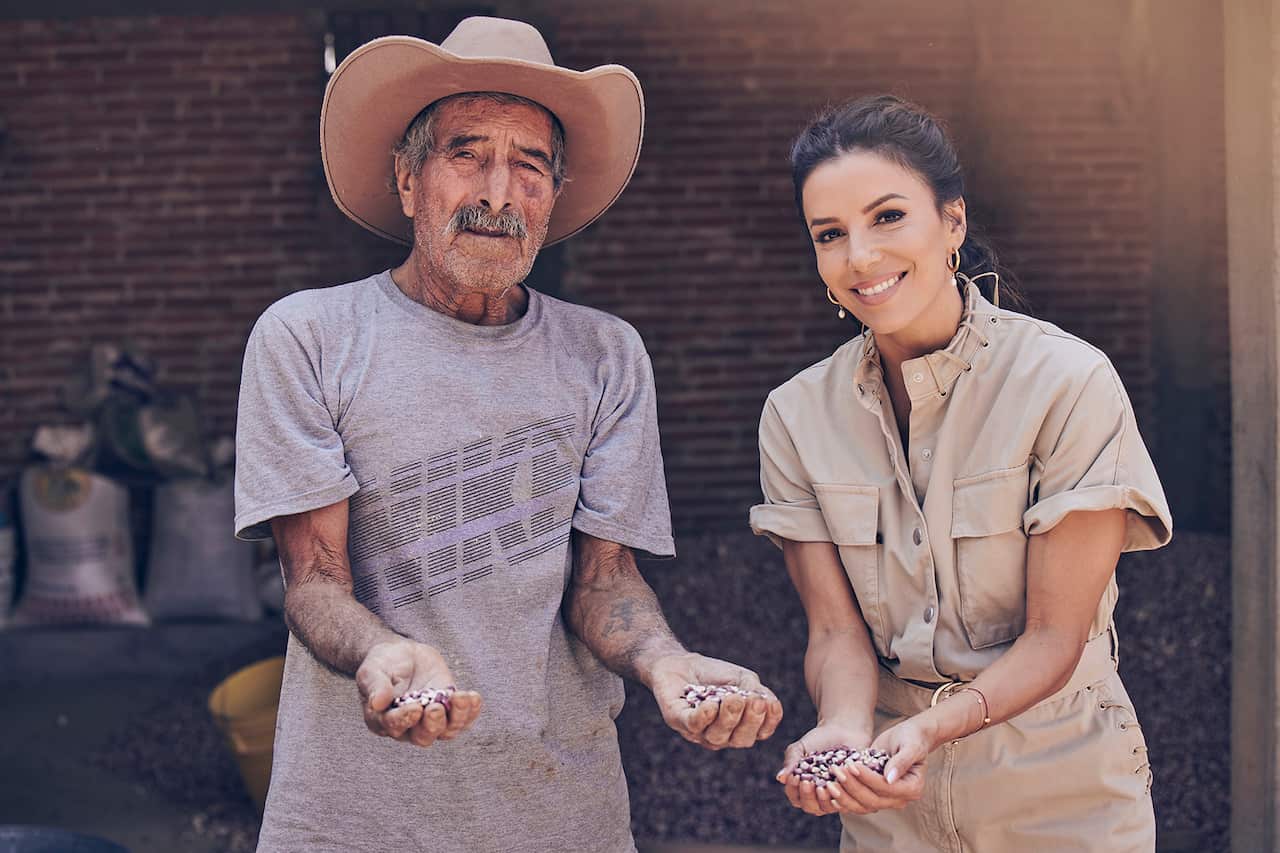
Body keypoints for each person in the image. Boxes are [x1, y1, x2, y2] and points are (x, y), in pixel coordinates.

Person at [234, 17, 782, 852]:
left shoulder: (605, 356)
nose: (498, 193)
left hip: (559, 811)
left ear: (553, 199)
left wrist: (667, 661)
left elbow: (604, 583)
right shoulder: (309, 337)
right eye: (468, 155)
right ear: (409, 181)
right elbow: (314, 579)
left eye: (529, 166)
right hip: (352, 818)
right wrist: (384, 652)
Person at [749, 94, 1172, 852]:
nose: (860, 258)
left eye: (887, 217)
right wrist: (843, 731)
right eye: (830, 234)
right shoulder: (794, 415)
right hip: (885, 796)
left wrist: (928, 728)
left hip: (1060, 784)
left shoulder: (1067, 382)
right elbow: (836, 630)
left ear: (953, 222)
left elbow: (1054, 635)